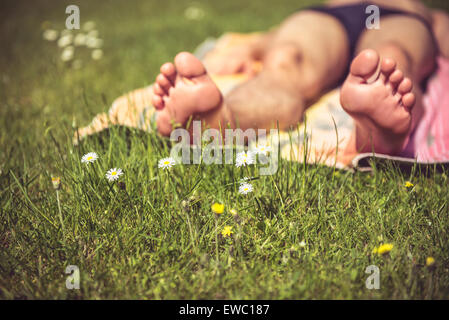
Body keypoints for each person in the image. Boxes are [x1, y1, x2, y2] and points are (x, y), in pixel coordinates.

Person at [150, 0, 449, 161]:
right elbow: (276, 36)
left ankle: (379, 135)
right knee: (285, 58)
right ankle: (221, 118)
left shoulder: (426, 9)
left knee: (391, 60)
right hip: (333, 18)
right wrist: (251, 47)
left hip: (399, 17)